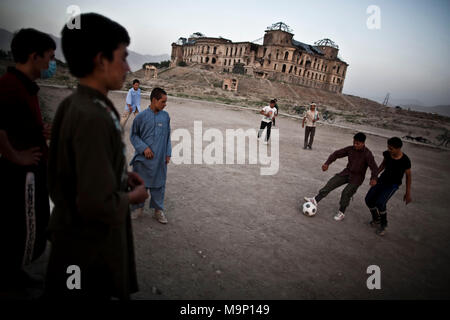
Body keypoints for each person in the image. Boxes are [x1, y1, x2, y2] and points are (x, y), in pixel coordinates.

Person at [44, 13, 148, 300]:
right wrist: (133, 197)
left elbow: (79, 170)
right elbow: (93, 205)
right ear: (101, 60)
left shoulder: (81, 104)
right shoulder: (92, 116)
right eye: (123, 57)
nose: (128, 67)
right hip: (85, 248)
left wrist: (118, 175)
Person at [0, 28, 55, 293]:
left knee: (26, 225)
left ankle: (15, 272)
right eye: (49, 57)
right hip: (22, 176)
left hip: (32, 171)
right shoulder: (10, 86)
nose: (50, 64)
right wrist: (15, 155)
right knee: (22, 228)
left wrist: (39, 130)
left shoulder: (25, 86)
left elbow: (15, 123)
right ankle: (10, 277)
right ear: (35, 56)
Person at [304, 132, 378, 221]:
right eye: (354, 142)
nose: (355, 145)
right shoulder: (350, 149)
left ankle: (341, 212)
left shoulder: (367, 154)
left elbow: (374, 167)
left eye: (357, 143)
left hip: (357, 178)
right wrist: (327, 163)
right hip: (346, 173)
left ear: (363, 143)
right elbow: (336, 154)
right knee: (332, 182)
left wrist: (374, 178)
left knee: (346, 193)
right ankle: (315, 200)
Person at [129, 87, 171, 224]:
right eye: (163, 101)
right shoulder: (141, 117)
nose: (165, 104)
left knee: (159, 185)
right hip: (142, 160)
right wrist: (143, 148)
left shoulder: (165, 117)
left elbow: (167, 137)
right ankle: (137, 208)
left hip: (159, 160)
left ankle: (158, 211)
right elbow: (133, 135)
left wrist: (168, 153)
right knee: (140, 184)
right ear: (154, 100)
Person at [365, 137, 412, 236]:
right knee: (368, 200)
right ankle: (376, 219)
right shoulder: (387, 154)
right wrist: (374, 176)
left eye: (391, 148)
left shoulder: (405, 160)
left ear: (399, 148)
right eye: (388, 147)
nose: (389, 150)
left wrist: (408, 193)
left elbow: (408, 176)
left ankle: (384, 224)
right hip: (381, 180)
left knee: (380, 203)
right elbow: (382, 165)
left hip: (392, 185)